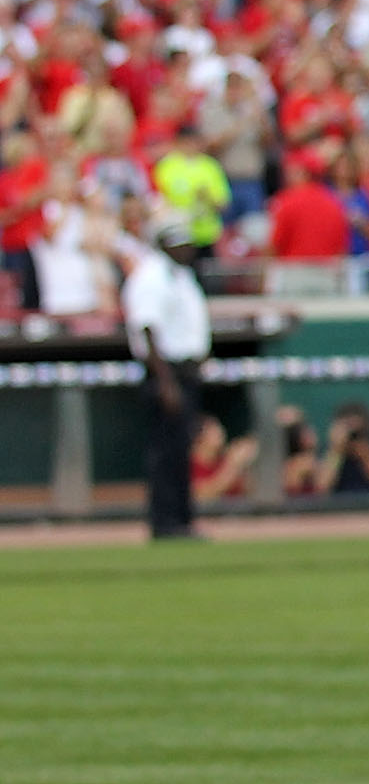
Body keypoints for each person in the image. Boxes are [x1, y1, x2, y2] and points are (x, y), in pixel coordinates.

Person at [120, 210, 215, 540]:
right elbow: (147, 329)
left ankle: (182, 519)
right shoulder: (151, 276)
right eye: (178, 244)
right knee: (165, 451)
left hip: (184, 372)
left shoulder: (181, 276)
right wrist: (166, 383)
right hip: (166, 374)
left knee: (179, 449)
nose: (186, 250)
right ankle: (165, 522)